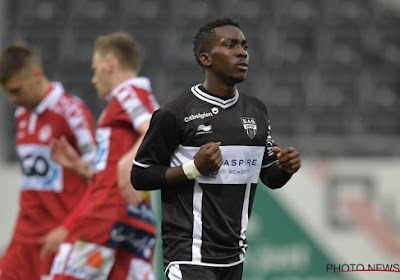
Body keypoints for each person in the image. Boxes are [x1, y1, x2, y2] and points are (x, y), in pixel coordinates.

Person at [130, 17, 302, 280]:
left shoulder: (256, 111)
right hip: (189, 254)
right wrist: (193, 168)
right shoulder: (174, 113)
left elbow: (270, 176)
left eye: (244, 45)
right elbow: (140, 175)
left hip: (234, 256)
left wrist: (286, 167)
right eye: (231, 45)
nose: (242, 52)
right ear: (206, 59)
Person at [49, 32, 158, 280]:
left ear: (110, 63)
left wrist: (126, 162)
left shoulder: (127, 92)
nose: (93, 78)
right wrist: (82, 168)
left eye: (95, 68)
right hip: (137, 217)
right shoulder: (141, 97)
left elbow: (153, 128)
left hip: (107, 211)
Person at [0, 43, 97, 280]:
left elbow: (98, 177)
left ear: (36, 75)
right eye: (8, 92)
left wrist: (68, 228)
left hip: (60, 236)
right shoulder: (22, 114)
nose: (12, 99)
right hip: (24, 237)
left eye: (16, 90)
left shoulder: (71, 112)